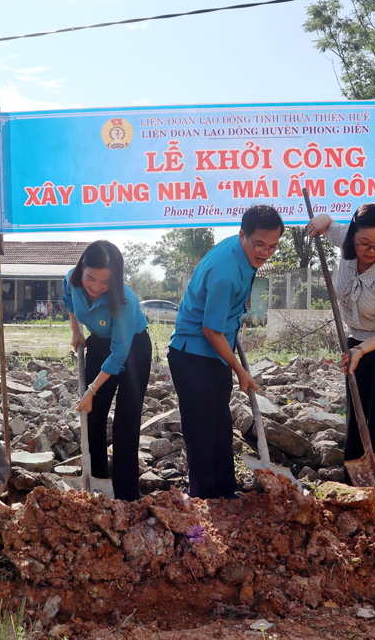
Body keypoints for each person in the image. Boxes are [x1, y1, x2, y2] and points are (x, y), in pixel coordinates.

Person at [168, 205, 283, 499]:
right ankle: (204, 498)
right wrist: (240, 370)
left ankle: (225, 490)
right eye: (259, 244)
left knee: (220, 424)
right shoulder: (226, 273)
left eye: (272, 246)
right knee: (202, 430)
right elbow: (211, 329)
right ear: (243, 234)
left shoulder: (241, 252)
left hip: (214, 352)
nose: (265, 252)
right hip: (194, 355)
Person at [306, 203, 375, 474]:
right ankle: (354, 478)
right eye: (364, 243)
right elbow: (328, 223)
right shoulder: (347, 242)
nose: (370, 251)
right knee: (357, 411)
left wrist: (362, 350)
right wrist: (321, 220)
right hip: (355, 343)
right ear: (353, 235)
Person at [63, 240, 151, 501]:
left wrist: (91, 389)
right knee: (92, 415)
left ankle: (126, 494)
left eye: (105, 282)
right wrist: (76, 332)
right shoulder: (72, 279)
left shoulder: (123, 300)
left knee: (126, 420)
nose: (96, 287)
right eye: (91, 278)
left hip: (133, 349)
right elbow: (68, 300)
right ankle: (98, 483)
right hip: (98, 343)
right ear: (82, 269)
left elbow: (119, 354)